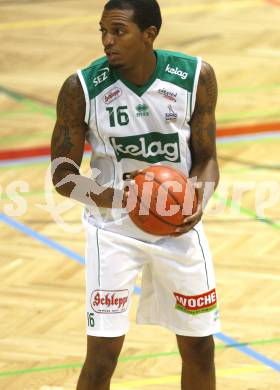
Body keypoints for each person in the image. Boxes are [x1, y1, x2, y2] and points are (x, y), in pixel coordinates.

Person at [51, 0, 220, 389]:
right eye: (103, 31)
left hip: (176, 225)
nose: (107, 41)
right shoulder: (80, 88)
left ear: (149, 35)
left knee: (200, 347)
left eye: (119, 31)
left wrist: (197, 198)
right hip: (111, 229)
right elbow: (62, 175)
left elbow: (208, 158)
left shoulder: (195, 78)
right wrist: (123, 198)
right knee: (103, 354)